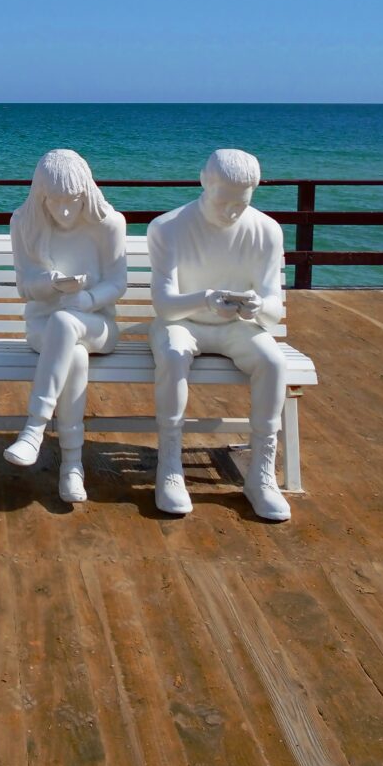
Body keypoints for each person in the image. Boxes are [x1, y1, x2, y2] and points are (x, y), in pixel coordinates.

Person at [148, 148, 291, 521]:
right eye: (223, 201)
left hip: (237, 326)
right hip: (182, 324)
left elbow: (275, 306)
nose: (231, 212)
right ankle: (170, 465)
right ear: (203, 181)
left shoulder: (266, 231)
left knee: (273, 363)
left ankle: (261, 475)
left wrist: (259, 307)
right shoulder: (168, 228)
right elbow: (164, 306)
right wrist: (206, 300)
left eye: (240, 205)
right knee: (174, 354)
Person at [4, 149, 127, 503]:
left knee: (67, 322)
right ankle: (72, 465)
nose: (65, 211)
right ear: (40, 195)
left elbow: (118, 283)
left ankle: (35, 428)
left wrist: (86, 300)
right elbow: (25, 287)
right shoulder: (24, 223)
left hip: (98, 325)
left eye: (72, 201)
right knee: (73, 353)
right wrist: (52, 284)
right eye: (55, 202)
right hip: (44, 328)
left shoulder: (108, 224)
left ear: (86, 191)